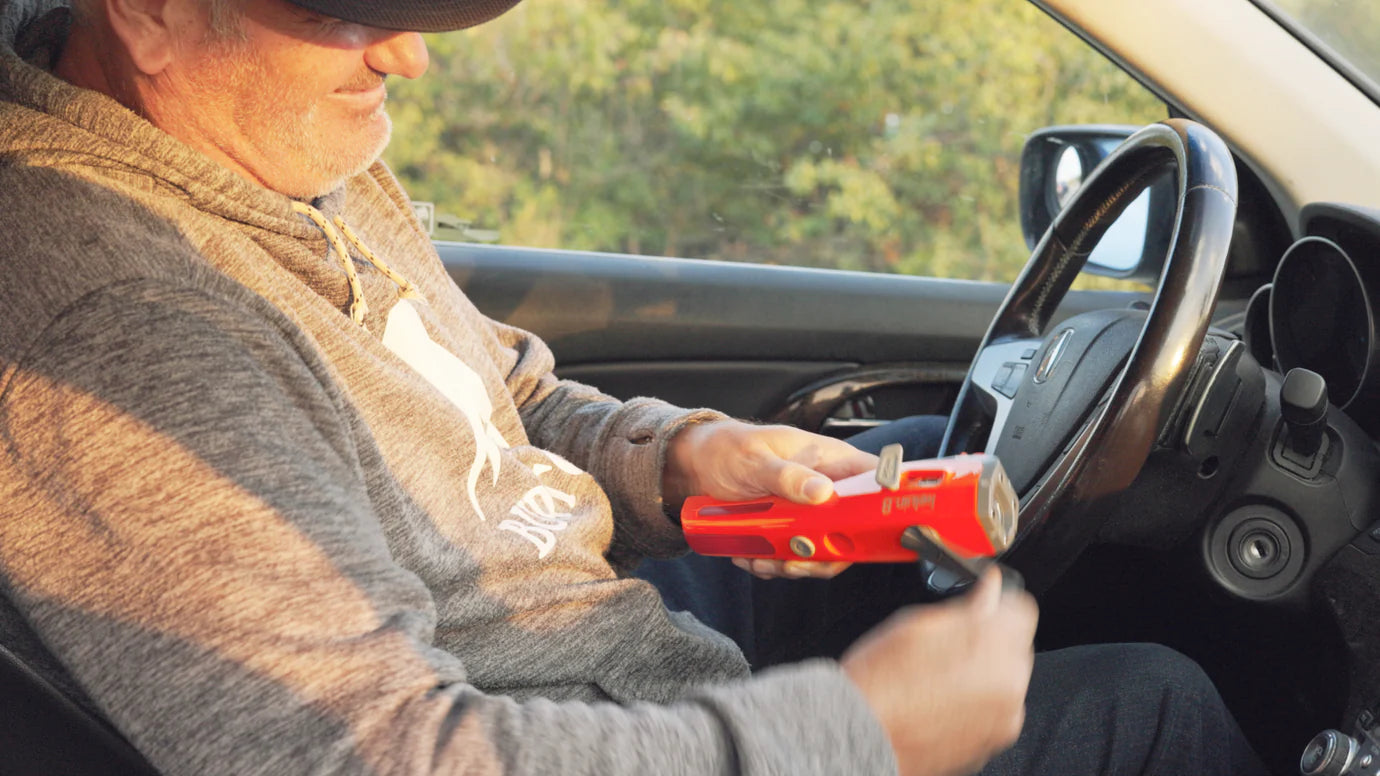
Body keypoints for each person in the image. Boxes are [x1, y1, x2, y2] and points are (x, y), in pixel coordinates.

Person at [0, 0, 1268, 774]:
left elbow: (493, 395)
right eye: (343, 11)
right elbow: (374, 753)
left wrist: (676, 455)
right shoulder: (120, 333)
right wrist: (859, 736)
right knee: (1148, 709)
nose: (408, 54)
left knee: (931, 452)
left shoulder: (260, 141)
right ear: (151, 9)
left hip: (582, 619)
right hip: (544, 709)